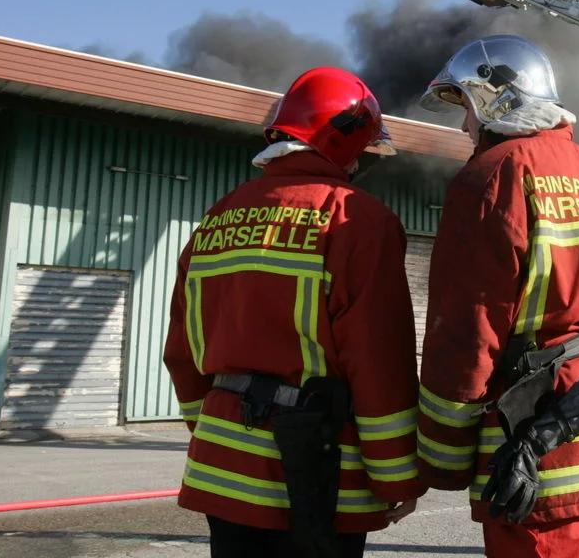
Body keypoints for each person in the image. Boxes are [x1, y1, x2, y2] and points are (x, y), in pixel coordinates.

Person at [414, 34, 579, 558]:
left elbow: (466, 333)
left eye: (464, 107)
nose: (464, 126)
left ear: (494, 99)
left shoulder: (491, 177)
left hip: (538, 458)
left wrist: (441, 455)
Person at [163, 66, 425, 558]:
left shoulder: (220, 216)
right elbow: (377, 360)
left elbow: (182, 345)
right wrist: (395, 474)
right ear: (347, 143)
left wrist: (213, 427)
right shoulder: (358, 219)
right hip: (318, 470)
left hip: (223, 467)